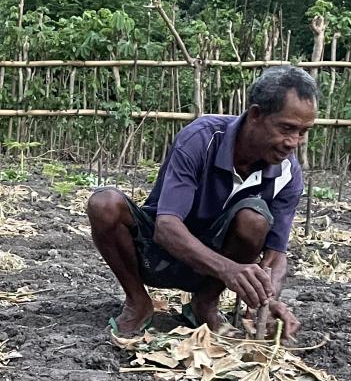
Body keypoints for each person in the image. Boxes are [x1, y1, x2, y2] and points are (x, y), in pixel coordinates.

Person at [86, 64, 317, 338]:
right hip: (157, 254)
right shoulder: (201, 138)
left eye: (303, 132)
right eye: (286, 128)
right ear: (255, 115)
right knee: (104, 204)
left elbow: (276, 255)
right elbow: (167, 227)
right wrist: (228, 269)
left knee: (254, 219)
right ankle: (138, 302)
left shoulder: (288, 173)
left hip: (214, 273)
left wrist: (269, 297)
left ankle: (204, 305)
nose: (294, 142)